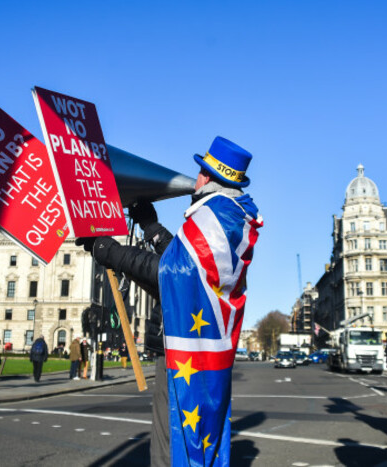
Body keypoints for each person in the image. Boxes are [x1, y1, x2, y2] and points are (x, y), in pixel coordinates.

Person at [77, 136, 262, 466]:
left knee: (170, 438)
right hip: (200, 344)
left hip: (184, 349)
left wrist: (106, 250)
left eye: (201, 172)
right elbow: (187, 266)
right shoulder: (230, 217)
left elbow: (169, 272)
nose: (196, 179)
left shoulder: (213, 217)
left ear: (209, 177)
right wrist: (151, 227)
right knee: (191, 434)